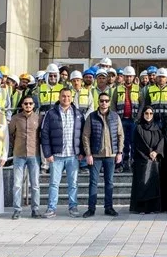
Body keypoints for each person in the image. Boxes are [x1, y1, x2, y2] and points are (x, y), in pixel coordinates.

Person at [40, 86, 83, 218]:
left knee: (73, 183)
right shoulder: (50, 113)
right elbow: (44, 134)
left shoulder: (78, 114)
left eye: (68, 96)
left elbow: (83, 134)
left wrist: (82, 151)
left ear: (72, 98)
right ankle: (51, 208)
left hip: (73, 155)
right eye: (63, 96)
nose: (66, 98)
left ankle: (73, 207)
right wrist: (47, 154)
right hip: (56, 156)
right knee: (54, 183)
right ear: (59, 97)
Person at [82, 92, 124, 217]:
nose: (104, 103)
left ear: (109, 102)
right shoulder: (91, 117)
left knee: (109, 182)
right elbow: (85, 136)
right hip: (95, 156)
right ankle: (91, 209)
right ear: (98, 102)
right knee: (93, 182)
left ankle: (109, 208)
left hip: (111, 155)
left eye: (106, 101)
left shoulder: (115, 117)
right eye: (101, 101)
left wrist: (119, 152)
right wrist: (88, 154)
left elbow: (120, 135)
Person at [7, 93, 42, 219]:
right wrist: (15, 145)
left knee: (35, 184)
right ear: (22, 105)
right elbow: (10, 134)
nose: (28, 105)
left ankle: (35, 209)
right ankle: (17, 210)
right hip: (19, 154)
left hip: (34, 154)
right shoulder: (15, 118)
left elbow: (41, 135)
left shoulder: (39, 118)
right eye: (26, 103)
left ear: (34, 105)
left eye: (30, 103)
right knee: (17, 184)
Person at [130, 106, 165, 214]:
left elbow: (161, 140)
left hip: (155, 160)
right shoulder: (139, 128)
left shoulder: (157, 127)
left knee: (153, 185)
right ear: (143, 114)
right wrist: (149, 152)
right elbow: (139, 143)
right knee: (143, 184)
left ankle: (153, 208)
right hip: (142, 159)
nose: (148, 115)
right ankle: (142, 208)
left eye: (151, 113)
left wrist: (156, 152)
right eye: (146, 113)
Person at [114, 66, 141, 169]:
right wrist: (116, 118)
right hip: (121, 119)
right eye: (126, 76)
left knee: (134, 142)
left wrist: (138, 116)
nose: (128, 78)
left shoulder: (138, 89)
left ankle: (133, 162)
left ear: (133, 77)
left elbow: (142, 103)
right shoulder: (118, 89)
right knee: (122, 142)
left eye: (130, 76)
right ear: (123, 77)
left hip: (134, 120)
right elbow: (113, 104)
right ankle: (123, 163)